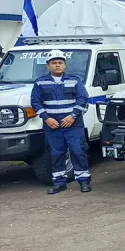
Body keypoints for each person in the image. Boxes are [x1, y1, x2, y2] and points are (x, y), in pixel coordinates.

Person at [30, 49, 92, 194]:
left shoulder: (75, 80)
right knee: (56, 154)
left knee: (78, 151)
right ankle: (59, 183)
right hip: (52, 126)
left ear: (65, 65)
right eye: (54, 63)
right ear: (48, 66)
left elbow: (82, 99)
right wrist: (47, 118)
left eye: (60, 62)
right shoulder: (40, 83)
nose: (57, 65)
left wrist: (72, 116)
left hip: (73, 124)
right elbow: (35, 102)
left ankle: (84, 182)